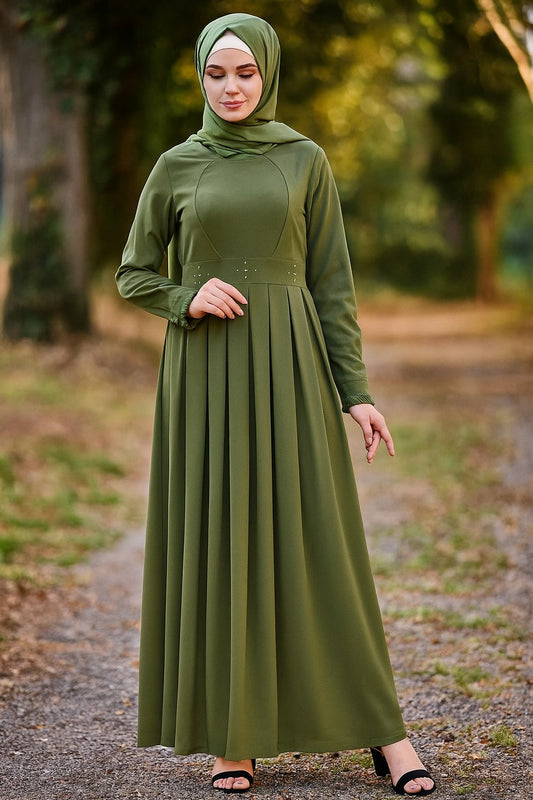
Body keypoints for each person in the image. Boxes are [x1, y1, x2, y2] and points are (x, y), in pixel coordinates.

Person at [116, 12, 436, 797]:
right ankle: (236, 737)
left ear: (267, 73)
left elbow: (331, 284)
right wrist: (185, 295)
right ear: (200, 77)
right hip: (206, 374)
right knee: (224, 539)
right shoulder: (176, 164)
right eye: (217, 74)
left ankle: (384, 732)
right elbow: (132, 273)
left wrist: (354, 393)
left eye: (245, 73)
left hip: (292, 369)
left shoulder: (304, 160)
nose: (230, 87)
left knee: (321, 545)